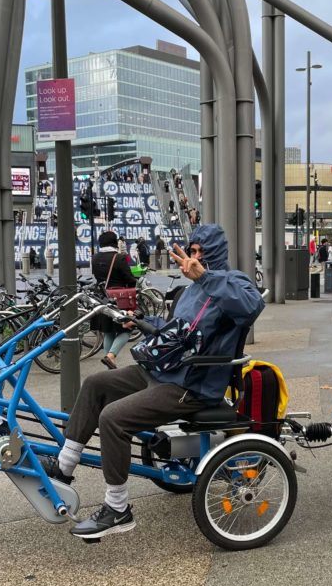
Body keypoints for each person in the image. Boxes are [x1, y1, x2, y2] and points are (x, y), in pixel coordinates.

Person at [41, 224, 264, 539]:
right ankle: (64, 466)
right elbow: (177, 330)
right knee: (95, 384)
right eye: (191, 250)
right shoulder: (190, 291)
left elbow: (250, 307)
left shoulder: (231, 281)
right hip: (162, 371)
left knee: (113, 419)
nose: (193, 257)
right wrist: (141, 321)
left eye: (200, 251)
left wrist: (205, 276)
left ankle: (117, 509)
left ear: (214, 253)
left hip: (192, 385)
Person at [90, 231, 138, 370]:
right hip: (119, 299)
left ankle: (108, 365)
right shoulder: (119, 258)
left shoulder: (95, 258)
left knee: (108, 330)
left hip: (101, 297)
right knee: (127, 328)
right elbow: (129, 279)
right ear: (115, 242)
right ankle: (110, 356)